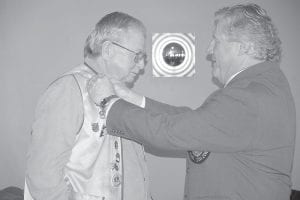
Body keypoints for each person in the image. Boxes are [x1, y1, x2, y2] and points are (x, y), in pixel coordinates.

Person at [98, 3, 296, 200]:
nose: (210, 50)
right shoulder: (260, 88)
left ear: (244, 47)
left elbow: (171, 132)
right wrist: (133, 98)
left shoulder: (249, 97)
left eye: (216, 41)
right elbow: (194, 122)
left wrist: (109, 103)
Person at [25, 12, 151, 200]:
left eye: (143, 57)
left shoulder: (120, 94)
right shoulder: (68, 89)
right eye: (137, 55)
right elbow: (43, 179)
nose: (141, 65)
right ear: (108, 50)